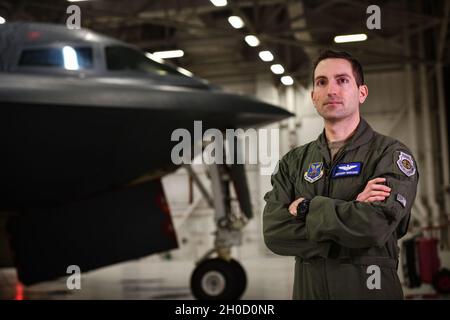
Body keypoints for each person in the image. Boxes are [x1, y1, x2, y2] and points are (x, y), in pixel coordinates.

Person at [262, 50, 419, 299]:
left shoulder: (389, 155)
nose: (331, 90)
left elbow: (374, 227)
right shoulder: (293, 162)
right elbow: (274, 233)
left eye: (342, 80)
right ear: (313, 97)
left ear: (362, 93)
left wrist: (308, 209)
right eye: (321, 82)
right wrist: (352, 211)